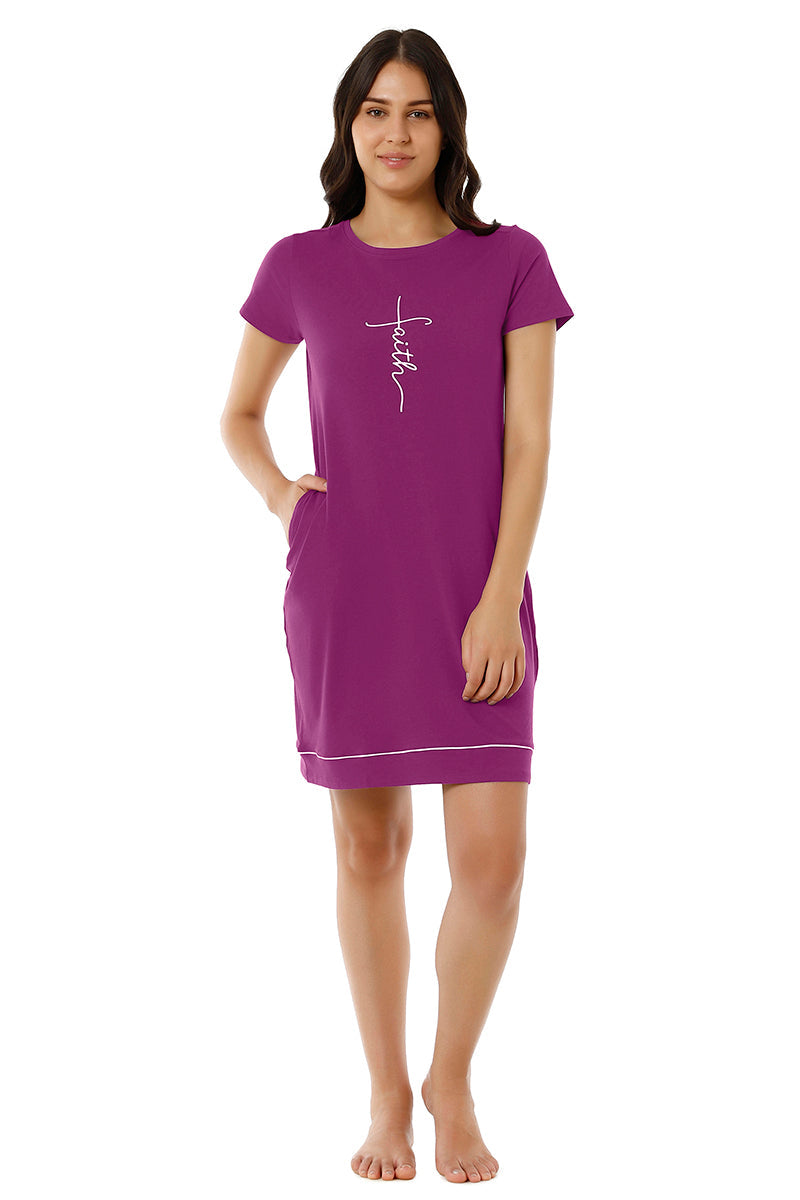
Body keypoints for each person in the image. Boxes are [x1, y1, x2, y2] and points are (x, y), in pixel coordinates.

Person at [220, 26, 574, 1185]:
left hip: (474, 592)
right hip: (349, 591)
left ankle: (448, 1078)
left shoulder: (511, 262)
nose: (394, 132)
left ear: (447, 128)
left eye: (418, 111)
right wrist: (285, 497)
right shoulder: (299, 265)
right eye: (375, 109)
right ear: (347, 124)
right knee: (368, 847)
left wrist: (499, 597)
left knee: (492, 863)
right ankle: (383, 1090)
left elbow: (529, 446)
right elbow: (236, 415)